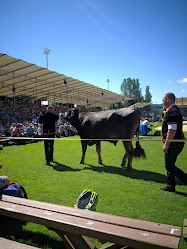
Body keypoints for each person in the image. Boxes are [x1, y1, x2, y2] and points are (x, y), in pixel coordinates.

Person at [161, 92, 187, 192]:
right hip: (176, 142)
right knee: (169, 164)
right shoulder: (173, 110)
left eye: (163, 100)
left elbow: (172, 130)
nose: (162, 102)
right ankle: (170, 186)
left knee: (169, 165)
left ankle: (185, 179)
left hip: (174, 144)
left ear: (168, 100)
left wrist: (166, 144)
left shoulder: (172, 112)